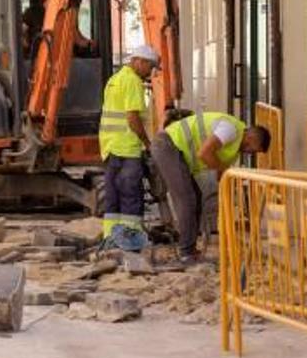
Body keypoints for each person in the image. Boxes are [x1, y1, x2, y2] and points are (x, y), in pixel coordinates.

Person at [151, 112, 271, 262]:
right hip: (168, 145)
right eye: (253, 149)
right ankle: (186, 252)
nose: (250, 153)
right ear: (251, 137)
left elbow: (221, 174)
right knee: (187, 200)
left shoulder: (233, 149)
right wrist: (226, 171)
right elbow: (204, 153)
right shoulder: (230, 129)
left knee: (196, 196)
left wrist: (228, 189)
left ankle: (190, 249)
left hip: (175, 150)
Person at [98, 45, 160, 243]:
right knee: (131, 197)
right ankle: (131, 241)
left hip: (109, 147)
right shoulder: (133, 82)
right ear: (139, 61)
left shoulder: (114, 80)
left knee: (113, 197)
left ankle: (111, 238)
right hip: (127, 149)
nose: (151, 73)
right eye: (150, 67)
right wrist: (147, 143)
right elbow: (133, 118)